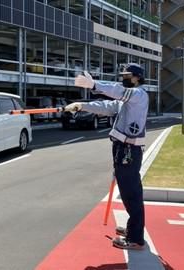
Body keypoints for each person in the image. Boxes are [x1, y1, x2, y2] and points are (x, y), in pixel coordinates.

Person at [65, 63, 148, 250]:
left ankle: (135, 239)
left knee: (131, 194)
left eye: (126, 75)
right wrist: (82, 106)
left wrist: (94, 85)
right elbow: (106, 106)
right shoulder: (127, 99)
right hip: (123, 149)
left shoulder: (138, 95)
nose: (123, 78)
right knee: (130, 193)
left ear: (136, 77)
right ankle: (133, 229)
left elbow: (117, 91)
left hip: (128, 151)